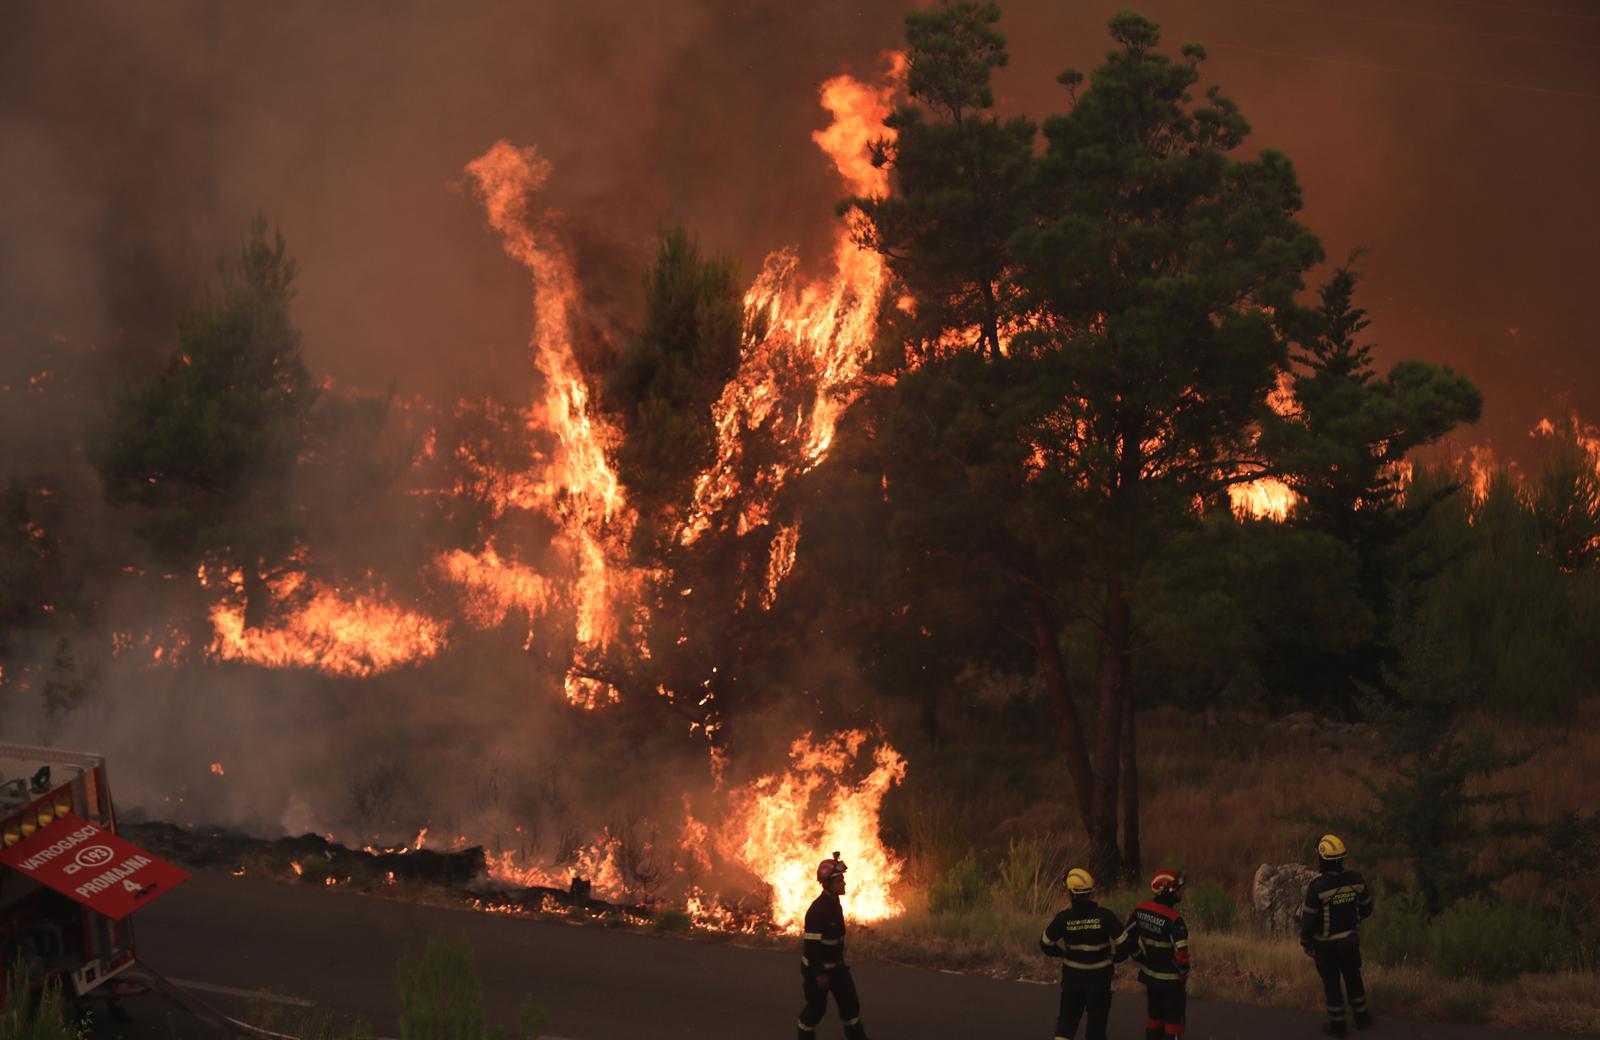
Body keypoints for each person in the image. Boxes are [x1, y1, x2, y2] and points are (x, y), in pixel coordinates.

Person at [1301, 833, 1375, 1036]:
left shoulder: (1317, 888)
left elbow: (1309, 919)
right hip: (1350, 941)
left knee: (1332, 984)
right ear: (1341, 859)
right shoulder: (1356, 880)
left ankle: (1338, 1026)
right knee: (1354, 978)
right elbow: (1367, 909)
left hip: (1325, 947)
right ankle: (1362, 1018)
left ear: (1322, 859)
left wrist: (1306, 942)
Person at [1039, 867, 1124, 1040]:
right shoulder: (1105, 916)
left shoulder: (1064, 918)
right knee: (1096, 1026)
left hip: (1073, 979)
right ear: (1091, 892)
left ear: (1071, 892)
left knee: (1066, 1023)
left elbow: (1045, 943)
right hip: (1099, 979)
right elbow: (1125, 944)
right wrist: (1115, 957)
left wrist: (1061, 953)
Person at [797, 852, 870, 1040]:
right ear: (828, 884)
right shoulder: (817, 910)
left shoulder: (834, 903)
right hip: (817, 972)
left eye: (843, 880)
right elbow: (811, 948)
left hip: (837, 969)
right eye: (840, 881)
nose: (844, 883)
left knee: (850, 1005)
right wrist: (819, 974)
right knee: (816, 1010)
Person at [1117, 868, 1190, 1040]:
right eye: (1177, 888)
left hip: (1150, 977)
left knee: (1154, 1018)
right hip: (1172, 983)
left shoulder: (1141, 910)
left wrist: (1138, 956)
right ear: (1167, 891)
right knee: (1174, 1023)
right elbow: (1182, 955)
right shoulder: (1175, 921)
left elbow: (1127, 937)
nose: (1179, 892)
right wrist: (1183, 973)